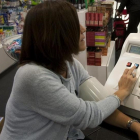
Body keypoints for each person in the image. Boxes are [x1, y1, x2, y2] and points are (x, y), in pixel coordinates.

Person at [0, 1, 140, 140]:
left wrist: (133, 125)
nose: (83, 29)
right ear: (55, 33)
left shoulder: (69, 63)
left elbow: (100, 104)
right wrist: (122, 91)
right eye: (74, 24)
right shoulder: (33, 75)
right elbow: (88, 116)